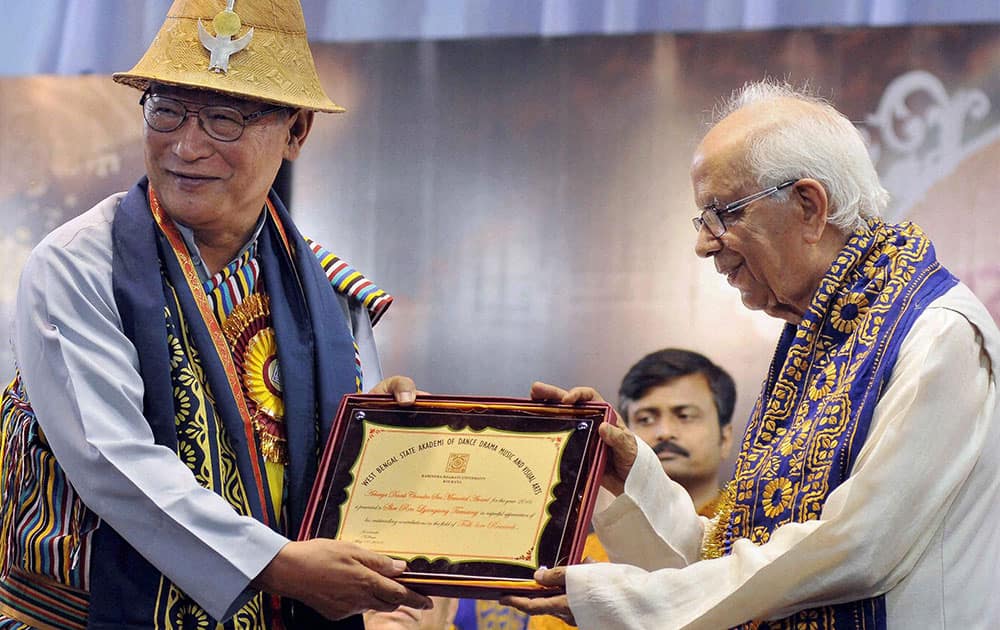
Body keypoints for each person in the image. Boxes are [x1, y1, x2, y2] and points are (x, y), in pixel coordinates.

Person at [505, 79, 1000, 628]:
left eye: (724, 213)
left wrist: (625, 604)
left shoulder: (935, 332)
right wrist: (630, 479)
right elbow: (731, 561)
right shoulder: (824, 335)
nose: (703, 243)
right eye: (703, 219)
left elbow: (855, 546)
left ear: (809, 207)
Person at [0, 1, 432, 627]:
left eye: (225, 118)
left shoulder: (335, 300)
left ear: (296, 131)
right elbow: (110, 459)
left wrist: (378, 432)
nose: (186, 145)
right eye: (167, 109)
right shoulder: (79, 266)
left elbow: (333, 488)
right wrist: (278, 566)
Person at [527, 348, 735, 630]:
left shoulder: (747, 535)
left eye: (684, 415)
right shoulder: (582, 559)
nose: (664, 432)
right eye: (646, 419)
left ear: (725, 438)